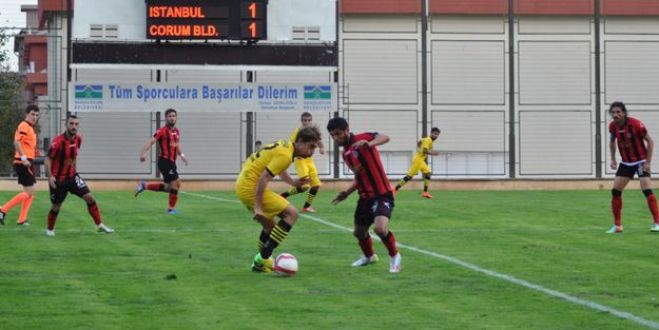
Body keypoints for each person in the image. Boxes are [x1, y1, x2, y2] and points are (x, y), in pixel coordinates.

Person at [236, 126, 321, 272]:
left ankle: (260, 264)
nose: (312, 152)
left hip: (244, 183)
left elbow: (280, 170)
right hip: (250, 186)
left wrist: (293, 183)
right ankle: (262, 259)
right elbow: (264, 178)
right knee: (292, 213)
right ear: (300, 141)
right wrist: (258, 207)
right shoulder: (286, 156)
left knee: (270, 226)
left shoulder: (286, 146)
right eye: (310, 147)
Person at [327, 117, 401, 273]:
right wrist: (346, 193)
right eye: (332, 135)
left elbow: (385, 137)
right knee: (359, 232)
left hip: (382, 194)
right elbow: (360, 177)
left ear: (347, 130)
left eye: (338, 133)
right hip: (364, 197)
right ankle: (369, 257)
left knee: (380, 229)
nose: (335, 138)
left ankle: (395, 256)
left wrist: (370, 143)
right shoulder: (346, 154)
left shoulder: (362, 138)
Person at [44, 115, 114, 236]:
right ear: (66, 125)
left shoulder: (79, 139)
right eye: (71, 124)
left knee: (90, 198)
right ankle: (50, 230)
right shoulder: (57, 142)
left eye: (76, 124)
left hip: (72, 177)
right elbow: (47, 159)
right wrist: (50, 177)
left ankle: (99, 225)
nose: (74, 127)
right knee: (56, 206)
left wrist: (74, 171)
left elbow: (73, 157)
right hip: (58, 179)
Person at [607, 101, 659, 233]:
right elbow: (612, 142)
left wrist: (647, 162)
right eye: (613, 112)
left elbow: (650, 142)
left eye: (618, 112)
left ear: (624, 113)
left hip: (641, 161)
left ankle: (657, 223)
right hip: (626, 162)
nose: (616, 114)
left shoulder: (635, 124)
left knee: (647, 190)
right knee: (615, 191)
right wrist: (613, 159)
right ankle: (617, 225)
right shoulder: (613, 126)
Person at [135, 108, 189, 215]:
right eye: (170, 116)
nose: (172, 118)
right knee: (176, 183)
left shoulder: (177, 131)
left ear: (176, 117)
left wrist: (182, 155)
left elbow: (176, 145)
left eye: (174, 116)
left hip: (172, 163)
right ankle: (170, 209)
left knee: (170, 187)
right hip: (165, 161)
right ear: (166, 118)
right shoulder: (162, 131)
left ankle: (145, 186)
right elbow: (151, 141)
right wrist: (143, 153)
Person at [0, 105, 40, 226]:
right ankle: (2, 210)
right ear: (26, 114)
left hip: (27, 161)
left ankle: (22, 219)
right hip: (22, 162)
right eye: (32, 114)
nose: (35, 117)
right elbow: (16, 142)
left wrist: (34, 153)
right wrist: (23, 158)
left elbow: (26, 144)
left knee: (30, 193)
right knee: (30, 191)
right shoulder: (24, 125)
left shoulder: (30, 128)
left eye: (37, 115)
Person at [281, 112, 325, 213]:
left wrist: (322, 148)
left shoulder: (312, 132)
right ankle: (284, 195)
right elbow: (291, 144)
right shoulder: (298, 132)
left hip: (310, 161)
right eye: (305, 120)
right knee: (305, 186)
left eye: (309, 120)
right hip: (300, 161)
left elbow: (319, 141)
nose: (307, 122)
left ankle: (306, 206)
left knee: (316, 185)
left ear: (311, 121)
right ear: (302, 121)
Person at [395, 127, 441, 198]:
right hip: (418, 160)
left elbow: (419, 142)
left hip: (421, 160)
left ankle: (425, 192)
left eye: (437, 134)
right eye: (435, 134)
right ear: (431, 133)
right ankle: (395, 189)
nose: (436, 136)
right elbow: (425, 151)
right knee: (409, 176)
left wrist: (419, 148)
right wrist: (433, 153)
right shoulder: (428, 140)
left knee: (428, 173)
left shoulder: (427, 139)